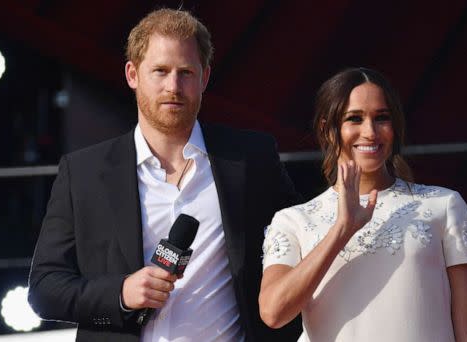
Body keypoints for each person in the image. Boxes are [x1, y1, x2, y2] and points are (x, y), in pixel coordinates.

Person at [28, 8, 301, 342]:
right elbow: (44, 289)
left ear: (204, 78)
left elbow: (300, 246)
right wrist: (121, 293)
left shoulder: (250, 158)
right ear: (132, 74)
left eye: (186, 72)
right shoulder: (83, 173)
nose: (174, 86)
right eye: (160, 71)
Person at [259, 67, 467, 341]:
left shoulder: (443, 206)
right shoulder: (294, 221)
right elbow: (274, 312)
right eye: (354, 119)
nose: (370, 132)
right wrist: (343, 228)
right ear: (328, 129)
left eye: (381, 118)